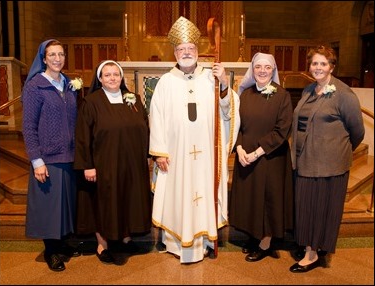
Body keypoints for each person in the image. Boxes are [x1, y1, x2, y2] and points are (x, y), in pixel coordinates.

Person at [149, 16, 240, 264]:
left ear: (198, 52)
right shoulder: (166, 82)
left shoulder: (211, 77)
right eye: (181, 49)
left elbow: (227, 110)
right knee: (177, 194)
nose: (186, 53)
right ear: (175, 53)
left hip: (206, 156)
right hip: (175, 156)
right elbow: (155, 116)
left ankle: (207, 240)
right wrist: (159, 152)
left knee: (204, 191)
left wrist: (223, 84)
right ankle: (176, 244)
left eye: (191, 49)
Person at [289, 46, 365, 273]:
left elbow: (357, 131)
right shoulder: (308, 90)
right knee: (306, 207)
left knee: (321, 209)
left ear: (332, 66)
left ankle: (312, 254)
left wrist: (337, 151)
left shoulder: (344, 94)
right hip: (304, 160)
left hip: (329, 166)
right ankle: (312, 245)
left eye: (323, 63)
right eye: (314, 63)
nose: (318, 68)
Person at [74, 60, 152, 265]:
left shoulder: (133, 99)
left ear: (122, 77)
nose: (112, 78)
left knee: (128, 199)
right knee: (104, 204)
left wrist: (147, 154)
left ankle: (126, 239)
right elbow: (83, 136)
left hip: (132, 164)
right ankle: (103, 244)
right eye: (107, 75)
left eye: (116, 74)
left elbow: (145, 127)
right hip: (104, 164)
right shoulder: (92, 102)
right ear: (100, 79)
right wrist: (88, 165)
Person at [22, 39, 81, 272]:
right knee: (49, 208)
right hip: (48, 157)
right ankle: (51, 251)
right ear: (43, 59)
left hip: (69, 155)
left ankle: (63, 243)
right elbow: (28, 126)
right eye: (52, 55)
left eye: (61, 54)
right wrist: (37, 160)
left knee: (64, 205)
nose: (57, 58)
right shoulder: (36, 86)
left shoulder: (68, 84)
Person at [229, 52, 294, 262]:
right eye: (258, 67)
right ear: (252, 70)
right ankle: (253, 236)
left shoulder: (282, 95)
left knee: (267, 199)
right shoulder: (245, 94)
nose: (263, 71)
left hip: (270, 157)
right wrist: (239, 148)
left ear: (273, 70)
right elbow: (236, 126)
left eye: (267, 67)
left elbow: (282, 130)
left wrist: (257, 152)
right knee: (251, 198)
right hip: (245, 156)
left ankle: (265, 242)